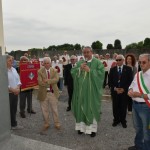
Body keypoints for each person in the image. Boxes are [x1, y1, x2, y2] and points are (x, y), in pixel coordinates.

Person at [71, 46, 104, 137]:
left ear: (91, 52)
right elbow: (72, 72)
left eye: (87, 52)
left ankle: (92, 129)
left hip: (91, 92)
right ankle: (81, 128)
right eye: (84, 52)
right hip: (81, 92)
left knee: (91, 109)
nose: (86, 54)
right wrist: (79, 69)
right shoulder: (80, 62)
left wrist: (90, 71)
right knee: (80, 109)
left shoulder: (97, 63)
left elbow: (101, 75)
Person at [128, 54, 150, 150]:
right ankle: (138, 146)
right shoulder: (138, 74)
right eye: (140, 62)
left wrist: (140, 95)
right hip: (135, 105)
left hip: (146, 106)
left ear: (149, 62)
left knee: (146, 131)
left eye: (144, 62)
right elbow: (131, 85)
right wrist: (130, 91)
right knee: (138, 128)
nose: (141, 64)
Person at [37, 57, 61, 134]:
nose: (47, 64)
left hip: (53, 93)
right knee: (44, 110)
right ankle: (46, 123)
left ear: (50, 63)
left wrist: (47, 80)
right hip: (43, 93)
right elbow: (40, 82)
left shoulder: (54, 70)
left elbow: (56, 79)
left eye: (48, 63)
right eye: (45, 63)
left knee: (55, 109)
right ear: (43, 63)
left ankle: (57, 123)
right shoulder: (40, 71)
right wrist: (51, 81)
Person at [108, 54, 133, 128]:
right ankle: (116, 120)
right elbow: (110, 82)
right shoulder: (112, 69)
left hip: (124, 92)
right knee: (115, 107)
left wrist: (124, 89)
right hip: (115, 92)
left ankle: (123, 121)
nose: (118, 61)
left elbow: (130, 81)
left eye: (119, 60)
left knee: (123, 106)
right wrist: (115, 88)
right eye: (117, 60)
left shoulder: (128, 69)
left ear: (123, 60)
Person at [7, 55, 23, 130]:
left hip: (15, 93)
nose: (12, 62)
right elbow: (5, 85)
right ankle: (8, 126)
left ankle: (13, 124)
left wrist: (18, 88)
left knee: (14, 109)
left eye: (12, 60)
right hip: (8, 94)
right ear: (5, 62)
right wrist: (14, 90)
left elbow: (18, 80)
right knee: (8, 110)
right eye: (10, 60)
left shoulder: (14, 69)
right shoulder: (3, 71)